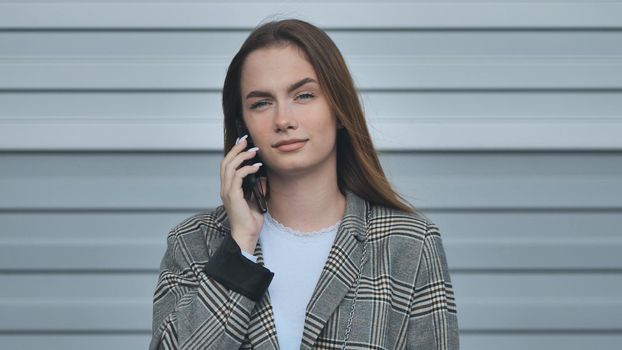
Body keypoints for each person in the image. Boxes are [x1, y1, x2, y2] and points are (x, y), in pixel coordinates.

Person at [149, 18, 458, 350]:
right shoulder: (193, 242)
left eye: (304, 95)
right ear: (242, 126)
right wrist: (239, 247)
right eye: (261, 103)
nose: (284, 120)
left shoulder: (409, 243)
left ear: (339, 110)